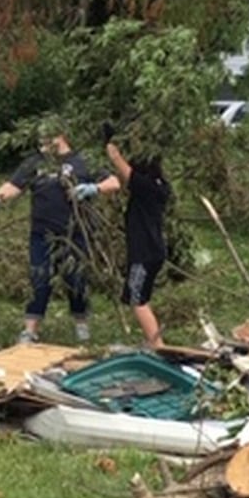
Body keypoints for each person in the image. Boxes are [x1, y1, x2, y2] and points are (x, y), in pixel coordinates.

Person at [0, 120, 116, 345]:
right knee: (40, 278)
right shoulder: (35, 163)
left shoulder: (83, 161)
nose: (42, 144)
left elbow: (113, 182)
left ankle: (81, 323)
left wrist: (94, 188)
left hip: (74, 234)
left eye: (47, 139)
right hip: (42, 233)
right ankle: (30, 330)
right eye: (40, 139)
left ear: (60, 136)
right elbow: (15, 185)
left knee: (76, 279)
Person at [87, 123, 171, 348]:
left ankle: (158, 346)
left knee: (137, 299)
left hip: (144, 253)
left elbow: (124, 170)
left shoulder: (146, 186)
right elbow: (126, 179)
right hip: (152, 251)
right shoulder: (160, 185)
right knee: (141, 296)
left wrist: (111, 146)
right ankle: (154, 342)